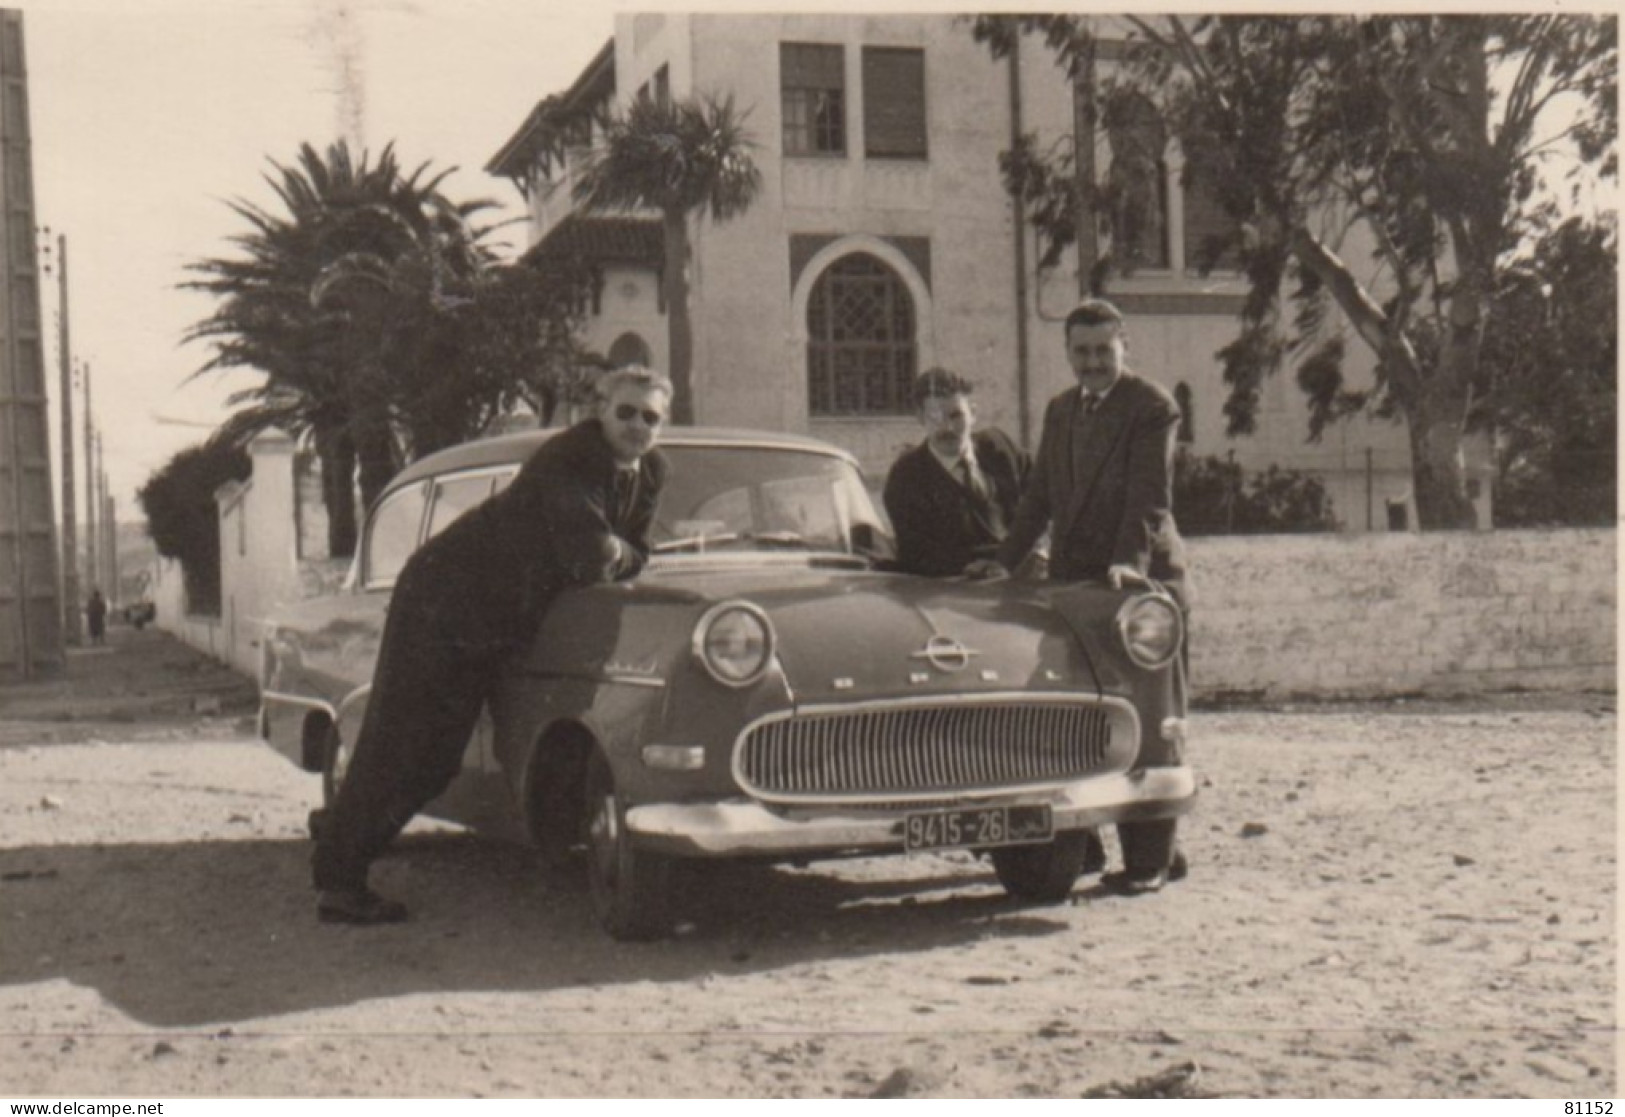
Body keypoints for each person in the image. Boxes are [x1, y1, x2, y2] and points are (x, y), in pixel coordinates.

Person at [311, 366, 673, 925]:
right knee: (404, 745)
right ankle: (338, 882)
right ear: (600, 410)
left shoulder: (650, 471)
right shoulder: (569, 457)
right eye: (626, 412)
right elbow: (591, 557)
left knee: (435, 760)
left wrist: (617, 550)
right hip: (445, 597)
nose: (636, 426)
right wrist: (618, 551)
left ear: (662, 425)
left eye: (650, 417)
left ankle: (337, 834)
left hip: (497, 614)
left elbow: (628, 552)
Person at [971, 297, 1191, 896]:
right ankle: (1082, 841)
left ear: (1126, 347)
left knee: (1147, 717)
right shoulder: (1061, 409)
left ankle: (1151, 860)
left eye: (1103, 350)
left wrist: (1127, 563)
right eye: (1082, 352)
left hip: (1136, 586)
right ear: (1068, 353)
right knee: (1073, 715)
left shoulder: (1152, 407)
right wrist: (1004, 562)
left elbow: (1150, 496)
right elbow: (1039, 496)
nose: (1092, 363)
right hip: (1072, 585)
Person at [882, 368, 1030, 578]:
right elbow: (919, 557)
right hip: (954, 593)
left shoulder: (999, 448)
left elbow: (1044, 497)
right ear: (920, 418)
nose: (948, 427)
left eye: (956, 415)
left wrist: (1039, 547)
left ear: (973, 413)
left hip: (1021, 580)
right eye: (935, 417)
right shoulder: (906, 477)